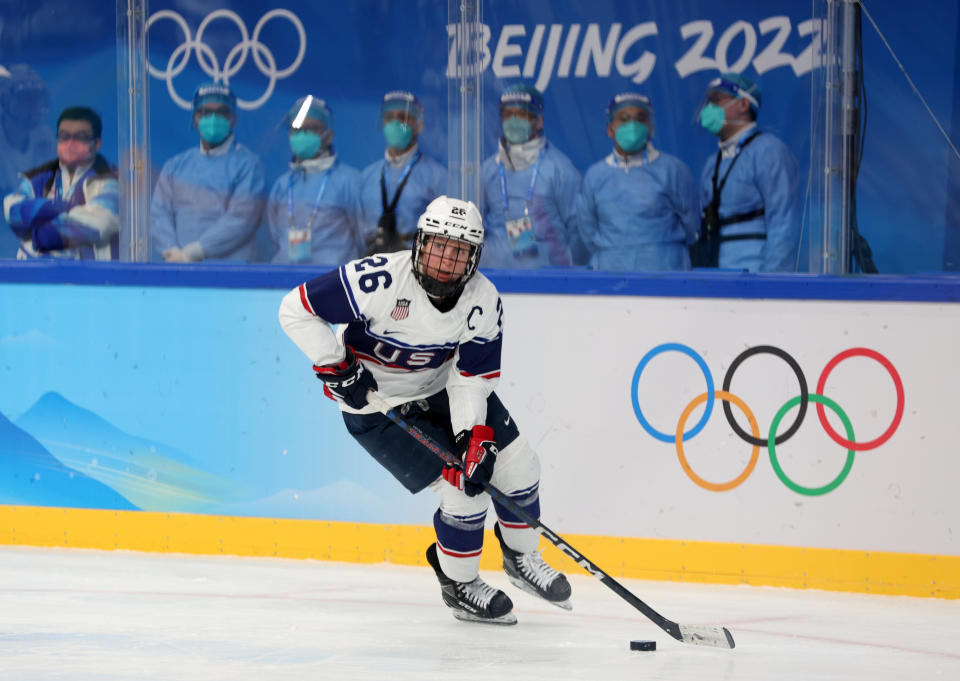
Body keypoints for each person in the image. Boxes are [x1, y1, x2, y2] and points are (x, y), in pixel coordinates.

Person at [278, 195, 571, 625]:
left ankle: (522, 558)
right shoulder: (377, 281)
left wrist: (472, 435)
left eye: (458, 251)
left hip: (442, 392)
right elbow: (295, 309)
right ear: (419, 242)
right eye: (437, 245)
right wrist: (336, 363)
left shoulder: (483, 300)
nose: (445, 259)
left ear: (474, 258)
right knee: (462, 493)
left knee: (521, 465)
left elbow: (471, 376)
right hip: (379, 409)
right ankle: (459, 584)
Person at [576, 92, 699, 271]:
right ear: (609, 129)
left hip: (666, 272)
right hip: (612, 272)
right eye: (623, 119)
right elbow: (588, 231)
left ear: (650, 127)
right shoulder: (595, 176)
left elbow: (692, 226)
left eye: (640, 119)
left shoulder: (673, 170)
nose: (632, 125)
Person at [693, 72, 801, 272]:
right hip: (717, 274)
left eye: (717, 100)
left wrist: (772, 282)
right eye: (708, 102)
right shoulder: (713, 163)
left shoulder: (768, 151)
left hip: (755, 272)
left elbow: (783, 222)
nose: (709, 108)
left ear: (743, 104)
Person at [151, 82, 266, 263]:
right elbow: (159, 213)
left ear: (233, 119)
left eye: (221, 112)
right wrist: (171, 251)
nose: (213, 118)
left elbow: (242, 219)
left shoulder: (249, 165)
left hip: (230, 274)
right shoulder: (176, 165)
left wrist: (195, 252)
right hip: (181, 269)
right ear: (195, 118)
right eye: (204, 112)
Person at [480, 84, 581, 268]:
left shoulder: (561, 170)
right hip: (492, 280)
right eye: (508, 115)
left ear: (539, 121)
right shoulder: (488, 170)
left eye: (521, 115)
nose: (513, 121)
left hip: (545, 286)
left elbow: (578, 233)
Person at [3, 106, 119, 260]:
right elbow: (12, 212)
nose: (71, 143)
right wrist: (56, 208)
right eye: (64, 136)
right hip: (36, 278)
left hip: (91, 279)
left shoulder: (111, 181)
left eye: (80, 137)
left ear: (97, 143)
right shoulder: (38, 178)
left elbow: (92, 225)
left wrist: (37, 232)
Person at [266, 96, 362, 265]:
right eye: (296, 128)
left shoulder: (350, 181)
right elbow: (274, 236)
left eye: (311, 129)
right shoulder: (282, 185)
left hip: (333, 283)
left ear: (329, 135)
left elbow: (362, 237)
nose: (302, 134)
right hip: (284, 283)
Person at [357, 91, 446, 255]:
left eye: (403, 117)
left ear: (418, 126)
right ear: (383, 123)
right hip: (371, 264)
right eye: (389, 117)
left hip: (414, 264)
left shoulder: (436, 176)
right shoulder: (367, 176)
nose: (395, 123)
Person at [0, 64, 57, 258]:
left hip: (30, 236)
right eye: (25, 99)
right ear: (6, 100)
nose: (34, 106)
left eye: (36, 98)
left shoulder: (44, 137)